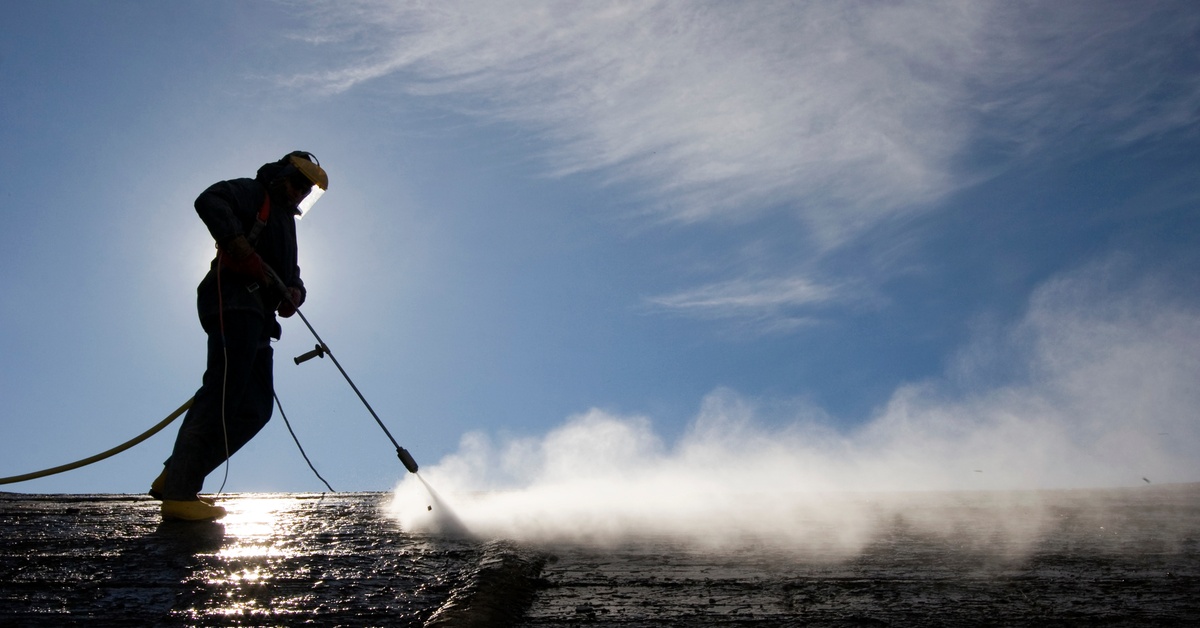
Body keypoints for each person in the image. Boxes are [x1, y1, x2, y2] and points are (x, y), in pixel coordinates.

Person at [150, 151, 329, 521]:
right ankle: (180, 492)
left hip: (261, 319)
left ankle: (177, 475)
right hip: (232, 303)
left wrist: (295, 292)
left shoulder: (287, 223)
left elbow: (291, 271)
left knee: (256, 409)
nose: (300, 193)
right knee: (223, 392)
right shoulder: (253, 192)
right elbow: (209, 199)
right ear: (282, 175)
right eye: (298, 183)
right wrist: (236, 244)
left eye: (307, 189)